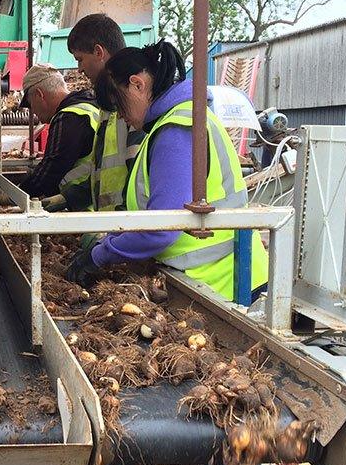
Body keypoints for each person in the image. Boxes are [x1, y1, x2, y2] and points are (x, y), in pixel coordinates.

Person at [65, 41, 268, 302]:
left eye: (119, 103)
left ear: (137, 84)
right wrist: (110, 239)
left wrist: (98, 256)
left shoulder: (176, 130)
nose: (120, 116)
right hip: (216, 281)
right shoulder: (177, 121)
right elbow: (152, 214)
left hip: (228, 286)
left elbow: (161, 228)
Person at [67, 13, 142, 212]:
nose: (79, 69)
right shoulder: (108, 103)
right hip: (114, 229)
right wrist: (65, 199)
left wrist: (114, 235)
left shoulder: (133, 102)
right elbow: (101, 175)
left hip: (124, 232)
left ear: (99, 52)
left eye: (80, 59)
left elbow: (139, 182)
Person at [16, 64, 99, 211]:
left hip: (87, 210)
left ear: (39, 95)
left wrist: (16, 195)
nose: (33, 112)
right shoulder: (89, 106)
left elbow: (53, 167)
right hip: (92, 202)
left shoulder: (70, 117)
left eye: (30, 105)